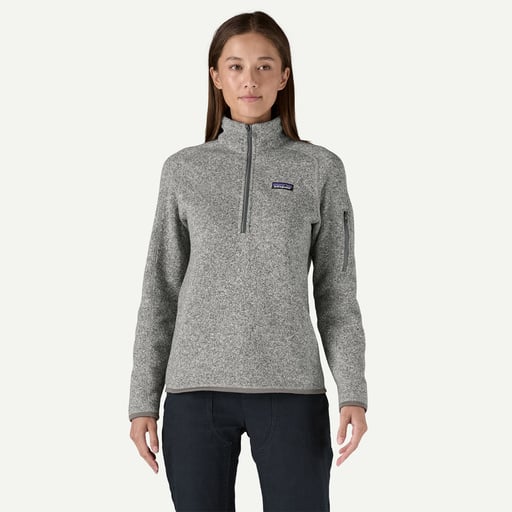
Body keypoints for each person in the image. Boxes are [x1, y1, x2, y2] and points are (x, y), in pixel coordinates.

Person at [129, 10, 368, 511]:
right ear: (216, 76)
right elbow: (160, 291)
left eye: (264, 66)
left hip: (292, 391)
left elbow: (336, 293)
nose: (250, 80)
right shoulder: (183, 170)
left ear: (284, 77)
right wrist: (142, 400)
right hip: (194, 392)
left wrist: (352, 391)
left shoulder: (320, 168)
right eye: (236, 66)